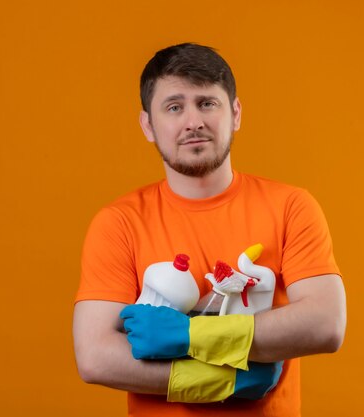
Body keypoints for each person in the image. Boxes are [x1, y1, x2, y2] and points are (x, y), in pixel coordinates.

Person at [73, 43, 347, 417]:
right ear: (148, 126)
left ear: (235, 114)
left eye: (207, 103)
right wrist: (224, 382)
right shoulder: (119, 222)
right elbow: (95, 356)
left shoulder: (291, 206)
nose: (193, 122)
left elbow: (325, 324)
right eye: (174, 107)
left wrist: (189, 336)